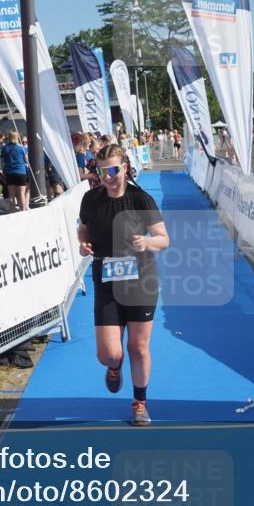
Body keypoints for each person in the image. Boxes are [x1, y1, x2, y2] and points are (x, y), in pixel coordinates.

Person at [77, 145, 170, 426]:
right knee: (109, 353)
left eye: (114, 170)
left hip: (141, 280)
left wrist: (147, 242)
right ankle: (115, 367)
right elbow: (83, 227)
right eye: (103, 171)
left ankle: (139, 403)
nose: (109, 176)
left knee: (138, 347)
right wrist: (82, 243)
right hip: (106, 279)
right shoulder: (90, 199)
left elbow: (164, 239)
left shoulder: (141, 199)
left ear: (125, 168)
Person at [1, 129, 29, 211]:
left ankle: (12, 211)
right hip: (20, 172)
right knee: (21, 193)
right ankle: (23, 210)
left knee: (11, 195)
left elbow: (2, 161)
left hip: (9, 172)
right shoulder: (22, 148)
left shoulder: (4, 148)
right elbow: (26, 160)